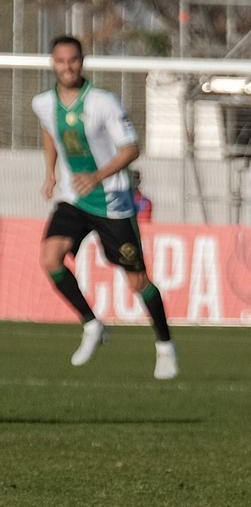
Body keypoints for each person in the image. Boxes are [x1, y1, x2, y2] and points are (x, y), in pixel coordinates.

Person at [34, 35, 178, 380]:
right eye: (61, 61)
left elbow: (131, 148)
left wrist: (98, 175)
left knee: (137, 280)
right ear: (53, 64)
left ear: (82, 62)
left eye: (73, 60)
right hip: (74, 198)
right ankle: (92, 325)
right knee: (50, 258)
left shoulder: (103, 102)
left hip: (113, 202)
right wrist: (51, 173)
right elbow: (50, 133)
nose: (67, 67)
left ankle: (165, 345)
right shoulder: (42, 103)